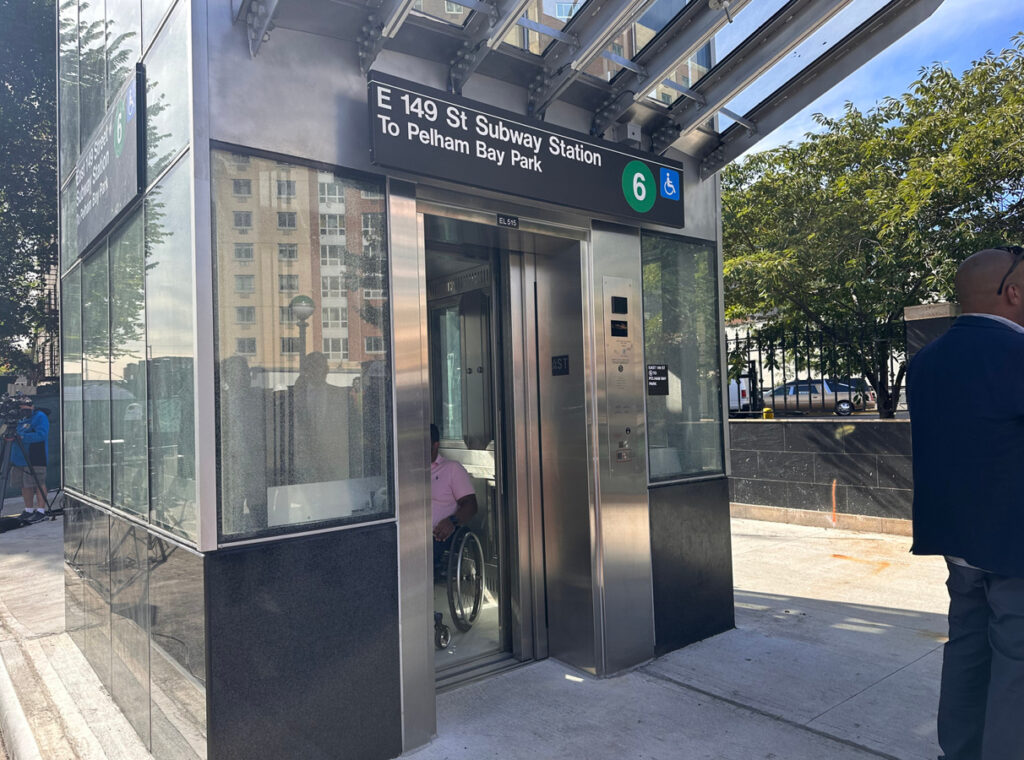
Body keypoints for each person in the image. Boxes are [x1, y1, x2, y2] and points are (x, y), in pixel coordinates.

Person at [908, 246, 1024, 760]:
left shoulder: (925, 362)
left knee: (966, 649)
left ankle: (958, 751)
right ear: (1013, 292)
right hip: (1014, 546)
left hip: (958, 540)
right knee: (1016, 664)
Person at [430, 423, 478, 575]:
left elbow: (471, 505)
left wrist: (452, 521)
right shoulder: (408, 470)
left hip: (436, 536)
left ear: (435, 445)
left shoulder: (451, 469)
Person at [7, 397, 49, 524]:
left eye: (27, 408)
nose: (25, 411)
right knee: (24, 484)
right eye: (22, 409)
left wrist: (23, 437)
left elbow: (42, 435)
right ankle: (28, 510)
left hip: (35, 456)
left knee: (38, 482)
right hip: (19, 457)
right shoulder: (17, 417)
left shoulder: (40, 416)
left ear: (32, 406)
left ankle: (41, 511)